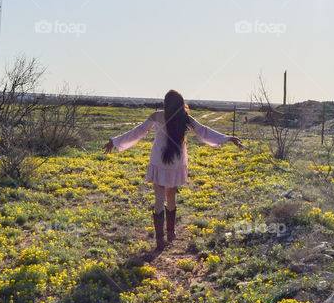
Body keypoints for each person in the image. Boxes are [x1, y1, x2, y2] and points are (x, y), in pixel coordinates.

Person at [104, 90, 244, 251]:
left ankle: (160, 239)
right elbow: (204, 131)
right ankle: (171, 233)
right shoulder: (184, 118)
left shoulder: (157, 116)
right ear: (180, 104)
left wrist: (114, 141)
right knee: (171, 195)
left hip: (159, 162)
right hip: (176, 163)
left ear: (165, 104)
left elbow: (137, 132)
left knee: (159, 198)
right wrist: (228, 138)